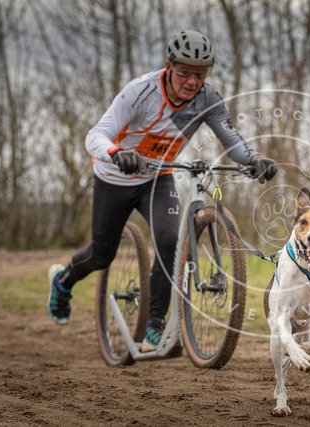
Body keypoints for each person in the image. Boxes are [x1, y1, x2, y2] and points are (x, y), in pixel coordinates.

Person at [47, 30, 276, 352]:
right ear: (169, 67)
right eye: (184, 73)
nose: (192, 81)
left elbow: (232, 141)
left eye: (200, 75)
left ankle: (155, 322)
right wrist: (115, 153)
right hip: (115, 177)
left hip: (157, 178)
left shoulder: (207, 99)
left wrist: (254, 159)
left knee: (170, 240)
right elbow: (96, 134)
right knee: (101, 255)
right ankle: (63, 283)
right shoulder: (140, 92)